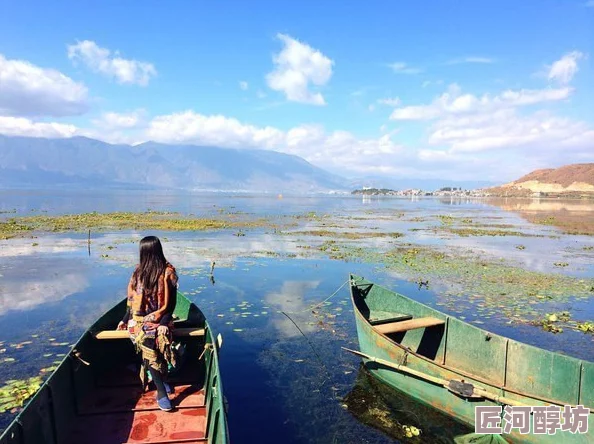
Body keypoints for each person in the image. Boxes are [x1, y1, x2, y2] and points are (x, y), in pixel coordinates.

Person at [117, 235, 179, 411]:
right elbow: (132, 301)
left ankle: (159, 381)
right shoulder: (138, 273)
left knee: (156, 336)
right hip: (138, 320)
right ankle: (161, 390)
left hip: (161, 319)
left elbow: (171, 304)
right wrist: (124, 320)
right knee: (146, 338)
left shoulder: (168, 273)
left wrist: (163, 323)